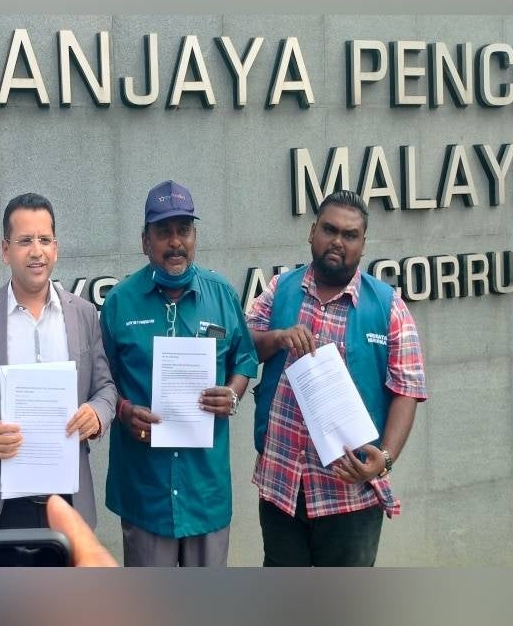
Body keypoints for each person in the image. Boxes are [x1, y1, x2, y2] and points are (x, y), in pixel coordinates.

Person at [247, 190, 427, 566]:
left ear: (363, 245)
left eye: (350, 235)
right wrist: (277, 338)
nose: (338, 242)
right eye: (329, 230)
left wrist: (386, 459)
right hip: (283, 485)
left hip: (350, 492)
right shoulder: (280, 289)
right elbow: (243, 347)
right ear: (312, 232)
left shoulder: (388, 305)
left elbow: (407, 390)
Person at [100, 180, 259, 567]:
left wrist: (233, 393)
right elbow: (100, 379)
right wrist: (122, 411)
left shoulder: (221, 294)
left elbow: (245, 358)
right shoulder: (120, 302)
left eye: (183, 230)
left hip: (204, 489)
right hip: (145, 490)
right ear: (145, 241)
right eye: (163, 232)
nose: (175, 242)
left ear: (194, 236)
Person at [0, 193, 117, 531]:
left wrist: (97, 413)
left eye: (44, 240)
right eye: (24, 241)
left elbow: (105, 387)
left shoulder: (82, 313)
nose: (36, 251)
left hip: (68, 502)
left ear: (56, 247)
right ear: (5, 250)